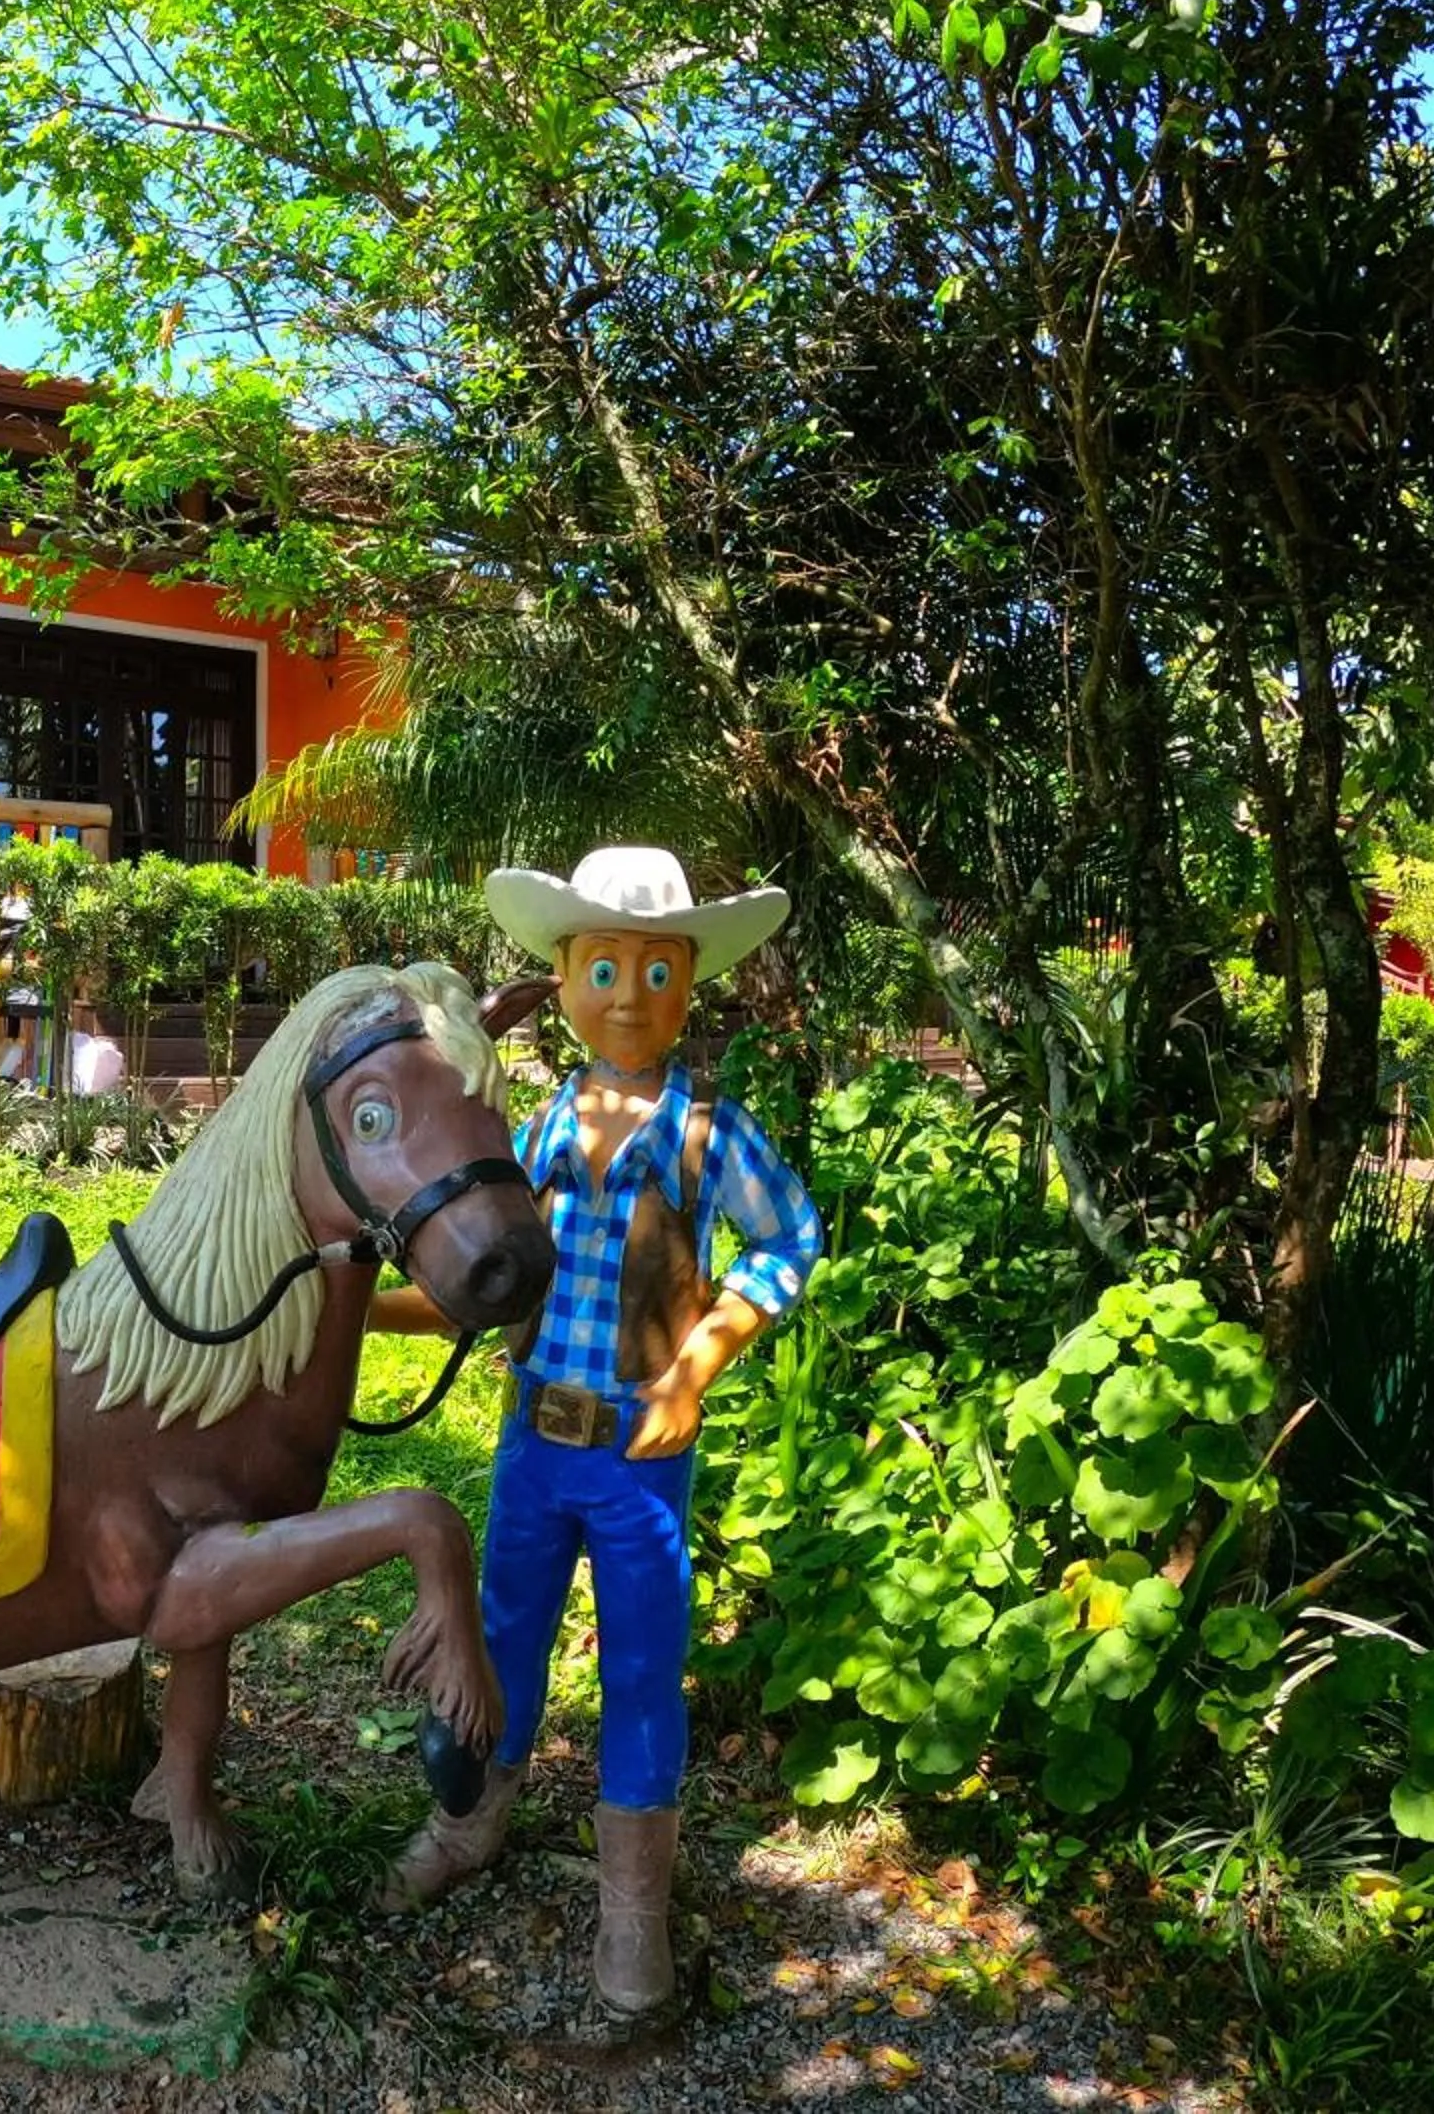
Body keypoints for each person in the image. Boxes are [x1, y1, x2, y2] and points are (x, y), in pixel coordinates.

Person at [378, 846, 821, 2025]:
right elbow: (479, 1275)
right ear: (564, 979)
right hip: (533, 1446)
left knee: (639, 1662)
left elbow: (791, 1241)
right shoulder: (533, 1134)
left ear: (689, 982)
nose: (631, 997)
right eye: (606, 968)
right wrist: (368, 1305)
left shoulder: (706, 1133)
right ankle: (469, 1819)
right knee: (506, 1632)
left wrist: (699, 1361)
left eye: (658, 972)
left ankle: (634, 1904)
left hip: (639, 1458)